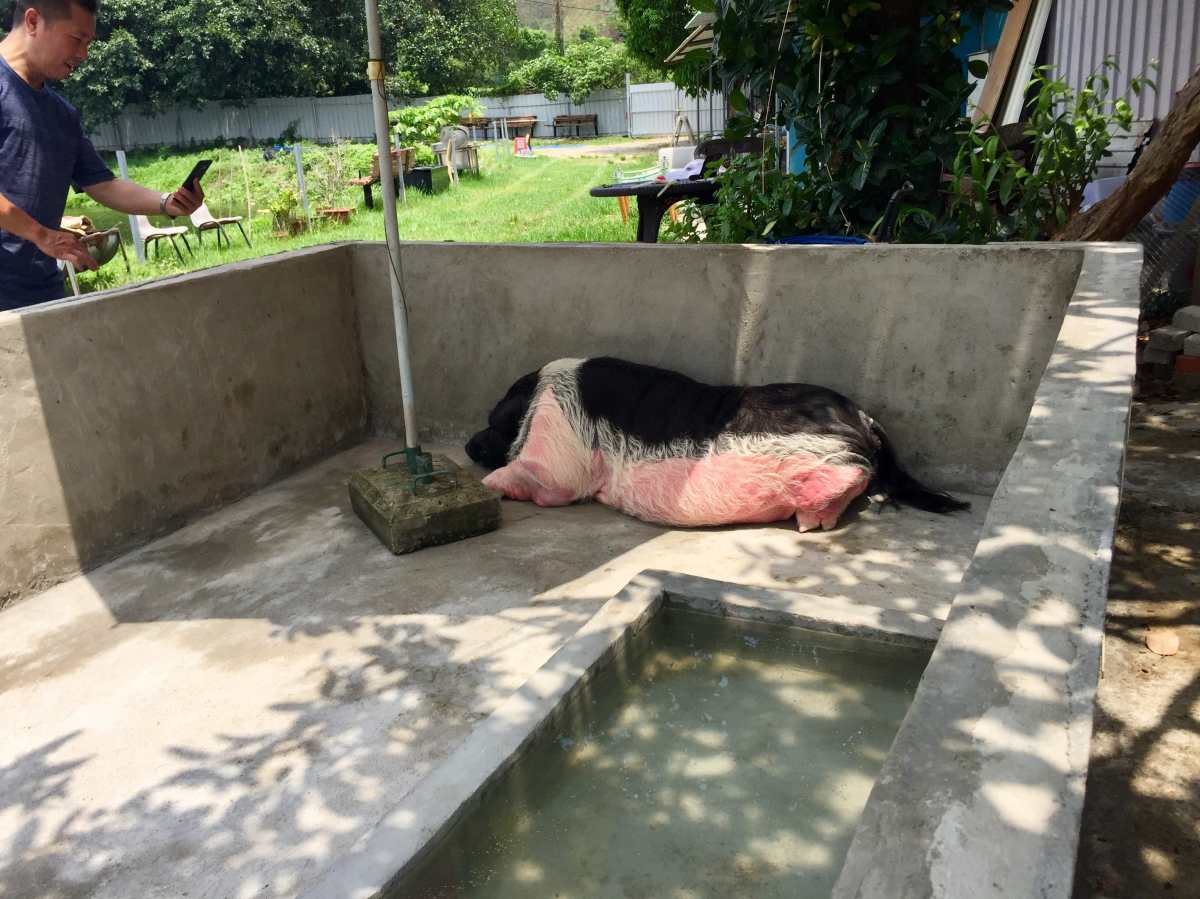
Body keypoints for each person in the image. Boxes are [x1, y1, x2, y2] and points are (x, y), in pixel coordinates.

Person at [0, 0, 203, 310]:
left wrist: (166, 203)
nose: (83, 55)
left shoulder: (61, 114)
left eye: (89, 43)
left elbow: (102, 184)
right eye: (77, 39)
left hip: (42, 292)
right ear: (32, 21)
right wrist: (39, 234)